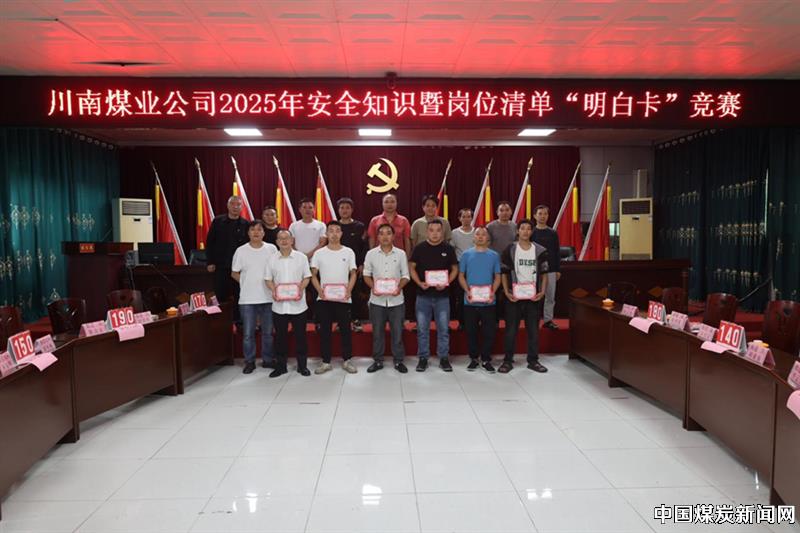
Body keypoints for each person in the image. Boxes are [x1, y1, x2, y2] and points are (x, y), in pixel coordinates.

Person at [500, 219, 549, 374]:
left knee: (533, 330)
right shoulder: (510, 249)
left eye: (528, 229)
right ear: (517, 231)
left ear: (532, 232)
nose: (525, 231)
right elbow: (504, 272)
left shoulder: (540, 250)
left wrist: (542, 292)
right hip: (514, 297)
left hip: (533, 297)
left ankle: (533, 360)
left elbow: (545, 274)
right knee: (511, 330)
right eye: (522, 228)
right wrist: (506, 291)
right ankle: (508, 360)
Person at [409, 220, 458, 372]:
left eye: (438, 230)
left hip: (442, 296)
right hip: (423, 296)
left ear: (442, 232)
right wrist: (419, 282)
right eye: (432, 230)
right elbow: (411, 267)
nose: (435, 233)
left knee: (443, 329)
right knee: (422, 329)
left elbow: (455, 269)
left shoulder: (448, 249)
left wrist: (447, 282)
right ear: (427, 232)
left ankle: (443, 358)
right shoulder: (419, 248)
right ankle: (423, 358)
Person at [310, 221, 358, 374]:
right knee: (325, 330)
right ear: (327, 234)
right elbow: (313, 274)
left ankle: (347, 360)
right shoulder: (319, 253)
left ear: (341, 233)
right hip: (324, 299)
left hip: (343, 298)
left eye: (337, 230)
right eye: (331, 231)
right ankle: (325, 362)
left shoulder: (348, 252)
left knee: (345, 330)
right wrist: (319, 290)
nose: (334, 234)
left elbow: (353, 273)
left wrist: (349, 290)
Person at [231, 221, 278, 374]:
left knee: (268, 333)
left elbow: (276, 270)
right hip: (248, 299)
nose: (256, 232)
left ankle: (268, 360)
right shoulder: (241, 250)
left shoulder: (271, 249)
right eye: (253, 229)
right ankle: (249, 361)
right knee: (248, 334)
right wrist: (245, 282)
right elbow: (234, 273)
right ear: (248, 233)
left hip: (268, 298)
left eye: (259, 229)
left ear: (264, 232)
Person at [363, 223, 410, 373]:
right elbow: (366, 275)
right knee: (377, 333)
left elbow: (406, 276)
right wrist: (373, 287)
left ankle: (398, 361)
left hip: (396, 301)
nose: (385, 236)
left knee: (397, 333)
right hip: (377, 301)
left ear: (393, 236)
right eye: (381, 233)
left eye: (388, 233)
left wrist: (399, 287)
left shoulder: (401, 254)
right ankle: (378, 361)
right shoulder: (371, 254)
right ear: (377, 236)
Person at [265, 230, 312, 377]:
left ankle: (302, 366)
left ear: (292, 240)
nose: (284, 241)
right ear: (277, 242)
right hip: (279, 306)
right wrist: (274, 290)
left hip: (298, 306)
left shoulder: (301, 257)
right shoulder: (272, 259)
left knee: (300, 337)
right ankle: (281, 367)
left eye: (287, 238)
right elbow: (268, 279)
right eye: (281, 238)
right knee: (280, 338)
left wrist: (300, 290)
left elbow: (307, 277)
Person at [458, 227, 501, 372]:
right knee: (471, 331)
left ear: (488, 238)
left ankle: (486, 359)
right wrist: (467, 291)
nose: (481, 237)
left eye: (484, 234)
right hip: (470, 301)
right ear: (473, 237)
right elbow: (461, 276)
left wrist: (493, 292)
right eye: (478, 234)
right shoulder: (466, 255)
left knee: (489, 332)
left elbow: (498, 277)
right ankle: (474, 358)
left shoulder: (494, 255)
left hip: (489, 301)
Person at [205, 195, 249, 310]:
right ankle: (221, 319)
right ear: (227, 206)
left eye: (238, 205)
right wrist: (210, 262)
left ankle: (238, 319)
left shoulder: (246, 224)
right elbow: (210, 242)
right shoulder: (218, 221)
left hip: (239, 268)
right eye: (232, 204)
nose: (235, 207)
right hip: (221, 266)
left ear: (242, 207)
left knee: (239, 295)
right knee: (220, 295)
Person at [337, 197, 367, 332]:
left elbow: (364, 246)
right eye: (342, 208)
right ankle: (341, 321)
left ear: (352, 210)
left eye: (347, 208)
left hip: (355, 267)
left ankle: (356, 320)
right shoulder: (335, 227)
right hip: (337, 266)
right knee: (340, 293)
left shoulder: (359, 226)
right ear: (338, 210)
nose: (345, 210)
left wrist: (361, 263)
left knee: (355, 294)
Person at [532, 204, 561, 330]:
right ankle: (533, 319)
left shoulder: (553, 233)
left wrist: (557, 270)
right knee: (534, 296)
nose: (542, 216)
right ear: (535, 216)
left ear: (548, 216)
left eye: (545, 214)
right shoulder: (531, 232)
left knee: (550, 296)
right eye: (540, 214)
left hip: (550, 269)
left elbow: (556, 252)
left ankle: (548, 320)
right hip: (534, 270)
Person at [486, 201, 516, 321]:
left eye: (507, 210)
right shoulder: (490, 227)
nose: (504, 213)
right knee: (495, 293)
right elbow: (486, 245)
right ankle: (494, 320)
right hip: (494, 266)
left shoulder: (515, 226)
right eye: (501, 210)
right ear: (497, 212)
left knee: (509, 293)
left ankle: (509, 319)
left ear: (511, 212)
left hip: (510, 266)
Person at [449, 208, 475, 329]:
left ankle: (474, 320)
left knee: (474, 292)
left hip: (474, 266)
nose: (466, 219)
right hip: (460, 266)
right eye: (463, 217)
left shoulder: (477, 232)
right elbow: (452, 250)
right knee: (460, 295)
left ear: (472, 218)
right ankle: (462, 322)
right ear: (459, 218)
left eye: (468, 217)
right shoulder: (454, 233)